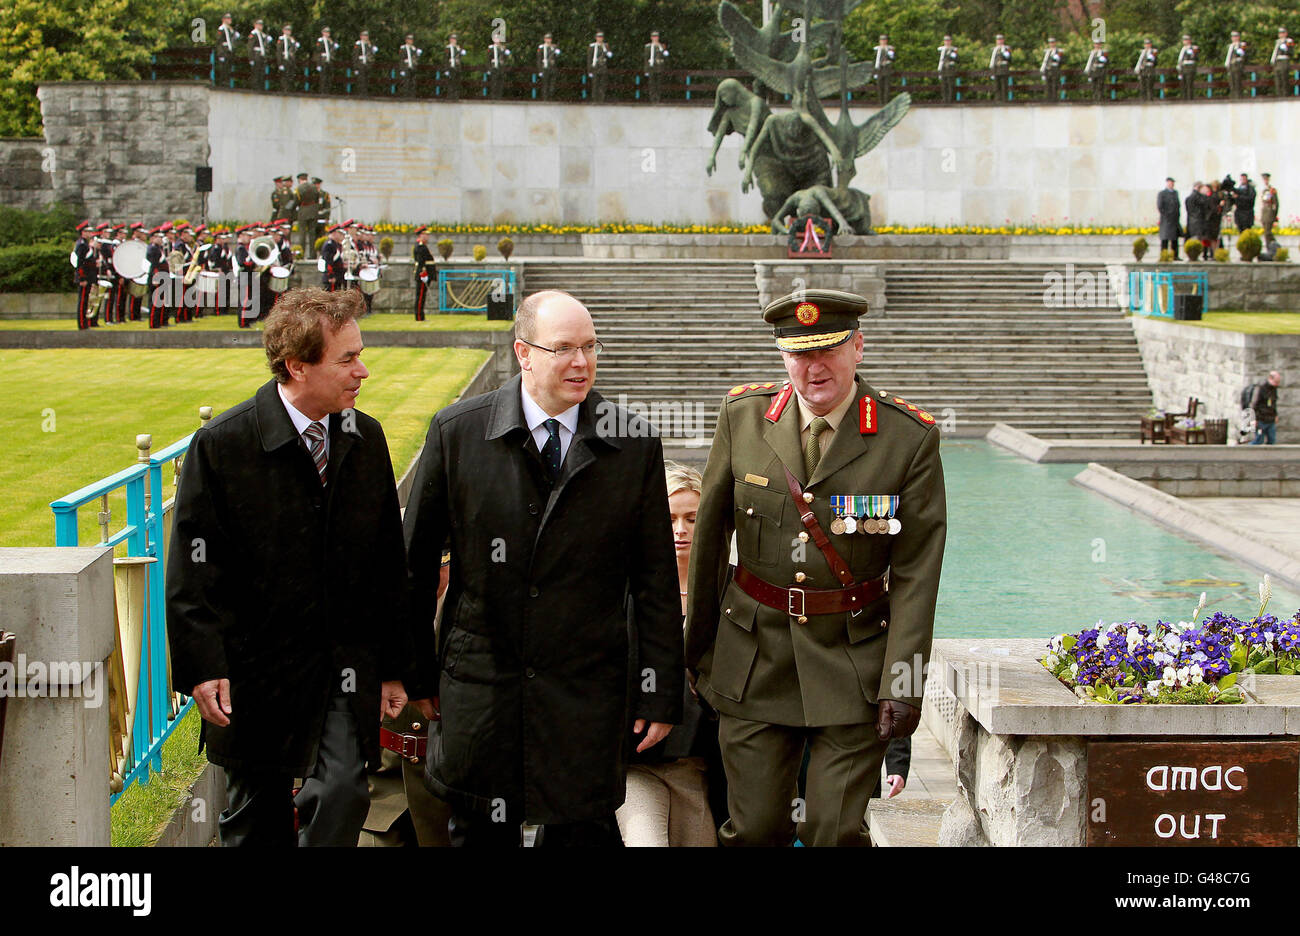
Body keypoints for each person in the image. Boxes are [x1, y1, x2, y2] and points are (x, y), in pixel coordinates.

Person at [403, 289, 684, 847]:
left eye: (589, 347)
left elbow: (655, 583)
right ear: (523, 353)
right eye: (563, 349)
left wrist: (659, 693)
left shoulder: (634, 444)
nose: (581, 363)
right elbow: (413, 567)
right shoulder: (456, 432)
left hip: (585, 691)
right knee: (480, 830)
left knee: (581, 829)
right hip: (482, 686)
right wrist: (416, 671)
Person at [684, 288, 947, 847]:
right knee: (752, 830)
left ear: (858, 348)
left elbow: (918, 575)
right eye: (799, 353)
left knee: (835, 831)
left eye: (828, 350)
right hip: (752, 658)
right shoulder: (743, 417)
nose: (813, 366)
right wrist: (696, 655)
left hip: (853, 662)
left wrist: (903, 684)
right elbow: (709, 543)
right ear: (783, 357)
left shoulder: (908, 437)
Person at [167, 287, 417, 846]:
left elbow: (386, 563)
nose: (363, 371)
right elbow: (191, 568)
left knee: (344, 793)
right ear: (297, 366)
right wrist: (203, 665)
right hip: (254, 671)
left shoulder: (365, 438)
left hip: (342, 664)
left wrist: (395, 666)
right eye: (347, 359)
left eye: (360, 354)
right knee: (256, 820)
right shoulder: (222, 445)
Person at [616, 461, 723, 847]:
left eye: (692, 518)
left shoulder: (730, 588)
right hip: (635, 760)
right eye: (671, 517)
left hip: (701, 762)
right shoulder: (623, 588)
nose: (680, 530)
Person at [72, 220, 97, 330]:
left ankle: (84, 323)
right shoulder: (82, 245)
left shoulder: (85, 244)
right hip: (84, 277)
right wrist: (82, 278)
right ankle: (82, 324)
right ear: (83, 232)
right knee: (82, 301)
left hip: (88, 276)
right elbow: (80, 263)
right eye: (87, 231)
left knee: (85, 301)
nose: (90, 233)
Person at [1250, 372, 1282, 445]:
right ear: (1270, 379)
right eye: (1276, 382)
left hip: (1271, 420)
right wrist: (1254, 419)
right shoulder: (1261, 388)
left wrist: (1275, 415)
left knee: (1272, 440)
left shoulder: (1274, 389)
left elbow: (1273, 404)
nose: (1277, 384)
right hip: (1261, 420)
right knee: (1259, 440)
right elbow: (1255, 404)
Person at [412, 226, 434, 321]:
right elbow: (421, 263)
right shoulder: (420, 246)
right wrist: (423, 274)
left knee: (422, 296)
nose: (427, 237)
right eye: (426, 235)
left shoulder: (423, 246)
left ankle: (421, 315)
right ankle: (419, 317)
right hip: (423, 274)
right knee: (420, 296)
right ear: (421, 235)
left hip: (425, 274)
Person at [1158, 178, 1181, 260]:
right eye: (1170, 183)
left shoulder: (1175, 193)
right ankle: (1164, 255)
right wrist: (1167, 215)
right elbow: (1160, 206)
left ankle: (1175, 255)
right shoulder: (1162, 193)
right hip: (1166, 220)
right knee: (1165, 238)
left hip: (1174, 220)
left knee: (1174, 239)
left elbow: (1178, 205)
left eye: (1172, 183)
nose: (1171, 184)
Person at [215, 13, 240, 87]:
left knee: (228, 69)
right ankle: (222, 84)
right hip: (224, 51)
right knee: (223, 70)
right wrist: (220, 54)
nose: (230, 20)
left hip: (229, 51)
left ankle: (227, 84)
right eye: (228, 18)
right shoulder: (221, 29)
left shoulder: (230, 30)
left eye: (230, 18)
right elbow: (219, 42)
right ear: (224, 20)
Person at [644, 31, 668, 103]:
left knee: (658, 84)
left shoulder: (661, 46)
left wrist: (665, 52)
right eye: (654, 37)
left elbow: (665, 57)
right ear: (651, 38)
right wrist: (646, 70)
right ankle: (652, 99)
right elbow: (646, 59)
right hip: (651, 67)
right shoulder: (648, 47)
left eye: (656, 37)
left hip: (659, 67)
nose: (655, 38)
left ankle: (658, 99)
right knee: (652, 84)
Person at [588, 31, 613, 102]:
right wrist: (589, 70)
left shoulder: (605, 46)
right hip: (595, 66)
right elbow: (589, 59)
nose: (600, 39)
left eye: (601, 37)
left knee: (602, 84)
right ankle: (594, 99)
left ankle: (601, 99)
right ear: (596, 38)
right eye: (598, 37)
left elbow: (609, 55)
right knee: (595, 84)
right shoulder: (592, 46)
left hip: (603, 67)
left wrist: (607, 52)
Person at [247, 19, 271, 90]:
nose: (260, 26)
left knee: (261, 72)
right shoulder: (253, 34)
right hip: (256, 55)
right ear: (255, 25)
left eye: (261, 25)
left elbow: (266, 46)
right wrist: (251, 58)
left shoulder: (263, 35)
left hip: (262, 55)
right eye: (258, 25)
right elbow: (250, 47)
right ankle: (255, 87)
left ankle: (260, 87)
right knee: (255, 72)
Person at [276, 24, 300, 93]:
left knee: (290, 75)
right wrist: (280, 63)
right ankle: (284, 90)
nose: (288, 32)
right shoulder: (281, 39)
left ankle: (289, 90)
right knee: (284, 76)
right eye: (286, 30)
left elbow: (294, 50)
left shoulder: (292, 40)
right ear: (283, 31)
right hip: (284, 59)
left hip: (291, 60)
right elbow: (279, 51)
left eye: (289, 30)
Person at [872, 35, 895, 106]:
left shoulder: (890, 48)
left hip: (887, 69)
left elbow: (893, 58)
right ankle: (880, 102)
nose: (883, 41)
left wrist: (891, 55)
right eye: (882, 40)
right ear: (879, 41)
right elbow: (875, 60)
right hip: (879, 69)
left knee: (887, 87)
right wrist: (875, 71)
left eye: (884, 40)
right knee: (879, 86)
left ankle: (886, 102)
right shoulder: (876, 49)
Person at [314, 27, 338, 94]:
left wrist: (333, 44)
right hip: (323, 60)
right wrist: (318, 64)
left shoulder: (330, 41)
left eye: (328, 32)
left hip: (329, 60)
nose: (327, 34)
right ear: (322, 33)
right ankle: (322, 91)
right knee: (323, 77)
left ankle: (328, 91)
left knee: (329, 76)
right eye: (325, 32)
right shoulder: (320, 41)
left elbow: (334, 50)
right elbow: (318, 52)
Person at [352, 30, 378, 96]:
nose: (365, 37)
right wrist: (355, 67)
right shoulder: (358, 44)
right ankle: (360, 93)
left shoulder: (369, 44)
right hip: (360, 64)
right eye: (363, 36)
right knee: (361, 79)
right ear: (361, 37)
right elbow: (355, 56)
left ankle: (365, 93)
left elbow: (373, 53)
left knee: (366, 79)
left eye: (366, 36)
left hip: (367, 64)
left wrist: (370, 45)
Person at [442, 34, 466, 100]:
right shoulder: (448, 48)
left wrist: (462, 53)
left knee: (457, 82)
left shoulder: (458, 48)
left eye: (455, 39)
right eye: (452, 39)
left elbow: (459, 57)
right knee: (451, 82)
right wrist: (446, 69)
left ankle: (456, 96)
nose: (454, 41)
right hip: (451, 67)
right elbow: (445, 59)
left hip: (457, 67)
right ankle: (450, 96)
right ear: (450, 40)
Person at [537, 34, 560, 100]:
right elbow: (539, 59)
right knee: (545, 84)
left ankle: (551, 97)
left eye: (549, 39)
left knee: (552, 85)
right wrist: (540, 70)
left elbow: (557, 58)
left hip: (552, 68)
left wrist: (557, 54)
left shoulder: (554, 47)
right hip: (545, 67)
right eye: (547, 39)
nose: (548, 40)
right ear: (544, 39)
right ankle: (545, 98)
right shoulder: (541, 47)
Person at [487, 35, 511, 99]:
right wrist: (489, 69)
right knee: (494, 82)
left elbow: (506, 58)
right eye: (496, 39)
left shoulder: (502, 48)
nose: (497, 40)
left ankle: (499, 96)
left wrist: (506, 53)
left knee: (500, 83)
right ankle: (493, 97)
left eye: (498, 39)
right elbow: (488, 59)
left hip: (501, 67)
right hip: (494, 66)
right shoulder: (491, 48)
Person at [1272, 27, 1294, 97]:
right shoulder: (1277, 42)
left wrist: (1286, 49)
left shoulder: (1289, 41)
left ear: (1286, 34)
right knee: (1277, 78)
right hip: (1277, 61)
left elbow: (1291, 52)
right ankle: (1279, 94)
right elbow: (1275, 52)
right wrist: (1273, 60)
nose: (1281, 34)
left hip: (1284, 60)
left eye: (1283, 33)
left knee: (1284, 78)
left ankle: (1285, 95)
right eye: (1280, 33)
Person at [989, 35, 1012, 102]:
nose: (999, 41)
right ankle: (997, 100)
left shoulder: (1006, 48)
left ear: (1003, 40)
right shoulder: (994, 49)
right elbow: (993, 60)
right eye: (998, 40)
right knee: (997, 86)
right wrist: (992, 70)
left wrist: (1005, 54)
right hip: (996, 69)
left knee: (1004, 86)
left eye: (1000, 40)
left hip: (1003, 69)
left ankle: (1004, 100)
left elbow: (1009, 59)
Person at [936, 35, 958, 104]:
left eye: (948, 41)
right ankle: (944, 99)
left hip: (950, 69)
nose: (947, 42)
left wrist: (952, 56)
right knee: (944, 84)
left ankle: (950, 99)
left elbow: (957, 60)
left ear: (951, 41)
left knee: (950, 84)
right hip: (943, 69)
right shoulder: (941, 50)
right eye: (946, 41)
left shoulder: (953, 50)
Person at [1039, 38, 1062, 104]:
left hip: (1054, 69)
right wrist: (1043, 72)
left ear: (1055, 43)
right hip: (1048, 69)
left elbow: (1061, 61)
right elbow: (1044, 61)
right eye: (1050, 43)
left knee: (1054, 84)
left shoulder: (1058, 51)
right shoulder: (1047, 51)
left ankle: (1054, 99)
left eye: (1052, 42)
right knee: (1048, 84)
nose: (1051, 44)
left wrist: (1057, 58)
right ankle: (1048, 99)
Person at [1176, 35, 1198, 100]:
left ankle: (1190, 98)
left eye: (1186, 40)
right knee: (1184, 84)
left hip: (1190, 67)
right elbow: (1180, 59)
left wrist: (1193, 52)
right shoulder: (1183, 48)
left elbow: (1195, 58)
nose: (1185, 41)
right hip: (1183, 67)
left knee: (1189, 83)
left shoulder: (1193, 48)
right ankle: (1184, 98)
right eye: (1184, 40)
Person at [1261, 172, 1279, 243]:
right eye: (1264, 179)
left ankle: (1275, 246)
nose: (1265, 181)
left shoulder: (1272, 190)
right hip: (1264, 213)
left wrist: (1274, 214)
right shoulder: (1263, 190)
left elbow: (1276, 203)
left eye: (1266, 179)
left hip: (1269, 213)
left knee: (1268, 232)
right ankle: (1270, 248)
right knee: (1266, 233)